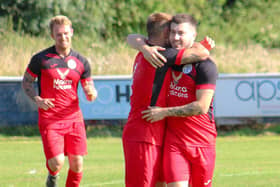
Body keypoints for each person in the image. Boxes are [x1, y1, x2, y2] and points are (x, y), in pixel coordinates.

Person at [122, 12, 212, 187]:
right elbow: (201, 53)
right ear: (164, 34)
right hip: (144, 134)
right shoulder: (161, 55)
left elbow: (132, 37)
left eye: (179, 33)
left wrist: (142, 46)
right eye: (171, 32)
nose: (175, 37)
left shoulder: (148, 51)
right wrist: (203, 43)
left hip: (155, 134)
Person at [22, 15, 97, 187]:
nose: (63, 37)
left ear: (72, 32)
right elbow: (26, 81)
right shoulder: (41, 59)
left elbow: (88, 86)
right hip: (50, 118)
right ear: (52, 36)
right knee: (57, 162)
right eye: (58, 34)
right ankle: (53, 176)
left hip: (73, 119)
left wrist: (91, 93)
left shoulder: (81, 61)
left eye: (65, 33)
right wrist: (37, 99)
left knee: (77, 164)